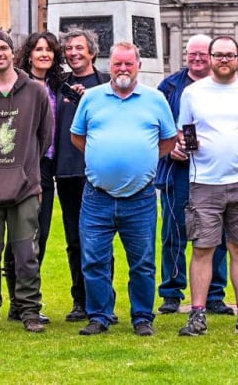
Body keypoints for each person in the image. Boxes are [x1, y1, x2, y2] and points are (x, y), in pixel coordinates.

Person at [70, 42, 177, 337]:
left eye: (129, 64)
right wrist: (103, 159)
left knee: (142, 262)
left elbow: (168, 141)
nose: (123, 69)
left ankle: (143, 317)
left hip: (140, 196)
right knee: (94, 259)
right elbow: (78, 137)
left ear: (138, 66)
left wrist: (141, 159)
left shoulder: (155, 99)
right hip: (96, 195)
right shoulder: (91, 98)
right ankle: (99, 315)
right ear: (109, 66)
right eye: (117, 64)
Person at [176, 36, 238, 338]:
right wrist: (182, 144)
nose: (224, 60)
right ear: (210, 58)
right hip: (204, 181)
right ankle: (197, 314)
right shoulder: (192, 93)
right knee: (202, 248)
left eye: (230, 55)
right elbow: (183, 132)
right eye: (218, 55)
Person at [0, 32, 54, 334]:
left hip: (25, 186)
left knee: (27, 254)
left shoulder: (35, 92)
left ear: (12, 52)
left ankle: (29, 310)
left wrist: (26, 166)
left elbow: (44, 137)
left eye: (3, 48)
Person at [156, 34, 232, 317]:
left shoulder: (226, 86)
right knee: (173, 232)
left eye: (203, 54)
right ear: (185, 54)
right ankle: (171, 293)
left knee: (217, 234)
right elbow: (156, 125)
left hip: (216, 171)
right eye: (193, 54)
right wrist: (169, 148)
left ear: (211, 56)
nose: (198, 59)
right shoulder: (170, 86)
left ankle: (214, 293)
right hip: (178, 171)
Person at [3, 32, 63, 324]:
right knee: (18, 236)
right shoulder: (16, 84)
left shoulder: (57, 86)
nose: (44, 54)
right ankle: (17, 301)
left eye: (49, 50)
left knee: (39, 234)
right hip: (19, 165)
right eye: (39, 49)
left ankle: (29, 299)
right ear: (28, 53)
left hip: (47, 166)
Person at [54, 29, 110, 322]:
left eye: (80, 48)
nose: (74, 53)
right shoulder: (59, 84)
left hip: (98, 172)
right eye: (69, 49)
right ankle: (80, 299)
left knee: (100, 239)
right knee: (75, 240)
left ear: (92, 52)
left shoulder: (105, 85)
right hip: (67, 173)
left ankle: (103, 300)